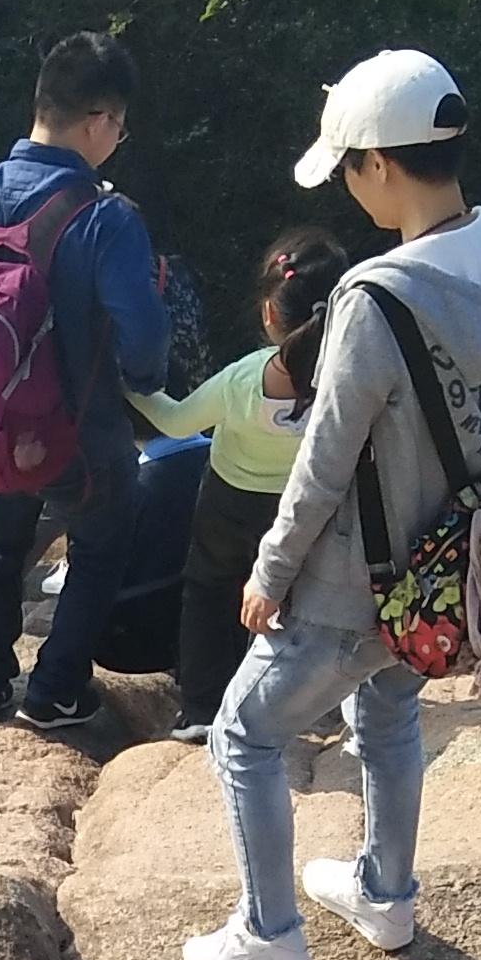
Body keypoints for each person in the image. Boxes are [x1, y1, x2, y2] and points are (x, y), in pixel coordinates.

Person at [193, 48, 481, 960]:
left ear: (380, 164)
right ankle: (384, 895)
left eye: (350, 167)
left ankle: (268, 933)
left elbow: (325, 460)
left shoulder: (374, 298)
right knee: (387, 713)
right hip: (452, 558)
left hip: (358, 576)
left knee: (244, 733)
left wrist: (270, 573)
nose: (350, 188)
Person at [0, 31, 171, 730]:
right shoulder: (106, 218)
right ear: (99, 121)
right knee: (101, 546)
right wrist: (147, 383)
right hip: (82, 432)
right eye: (119, 124)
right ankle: (55, 690)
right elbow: (143, 337)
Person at [129, 227, 345, 733]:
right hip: (302, 504)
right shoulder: (347, 376)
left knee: (208, 591)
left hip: (228, 500)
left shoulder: (248, 375)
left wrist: (131, 388)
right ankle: (296, 706)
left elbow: (178, 422)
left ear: (270, 312)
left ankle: (202, 709)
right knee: (295, 601)